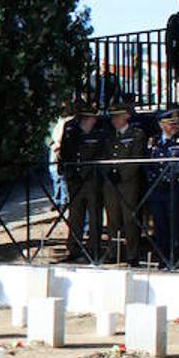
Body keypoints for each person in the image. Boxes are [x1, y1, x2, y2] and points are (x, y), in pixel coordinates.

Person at [59, 108, 109, 261]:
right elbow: (65, 153)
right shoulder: (71, 132)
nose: (94, 121)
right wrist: (68, 173)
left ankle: (94, 248)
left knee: (94, 215)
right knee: (76, 215)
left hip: (92, 180)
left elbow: (101, 155)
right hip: (75, 180)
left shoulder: (98, 133)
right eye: (91, 118)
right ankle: (74, 247)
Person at [146, 112, 179, 267]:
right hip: (157, 189)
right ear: (161, 125)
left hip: (175, 187)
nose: (174, 127)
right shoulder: (153, 141)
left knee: (175, 224)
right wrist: (155, 179)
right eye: (170, 124)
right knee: (159, 224)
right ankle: (162, 256)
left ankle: (175, 256)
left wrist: (168, 178)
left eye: (176, 124)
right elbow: (148, 164)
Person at [104, 105, 147, 265]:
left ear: (126, 116)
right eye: (113, 117)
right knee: (112, 219)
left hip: (128, 184)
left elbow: (136, 158)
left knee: (130, 220)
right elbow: (105, 156)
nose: (114, 120)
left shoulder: (136, 134)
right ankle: (113, 252)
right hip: (111, 184)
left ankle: (132, 254)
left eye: (118, 116)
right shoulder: (109, 136)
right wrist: (109, 172)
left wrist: (121, 175)